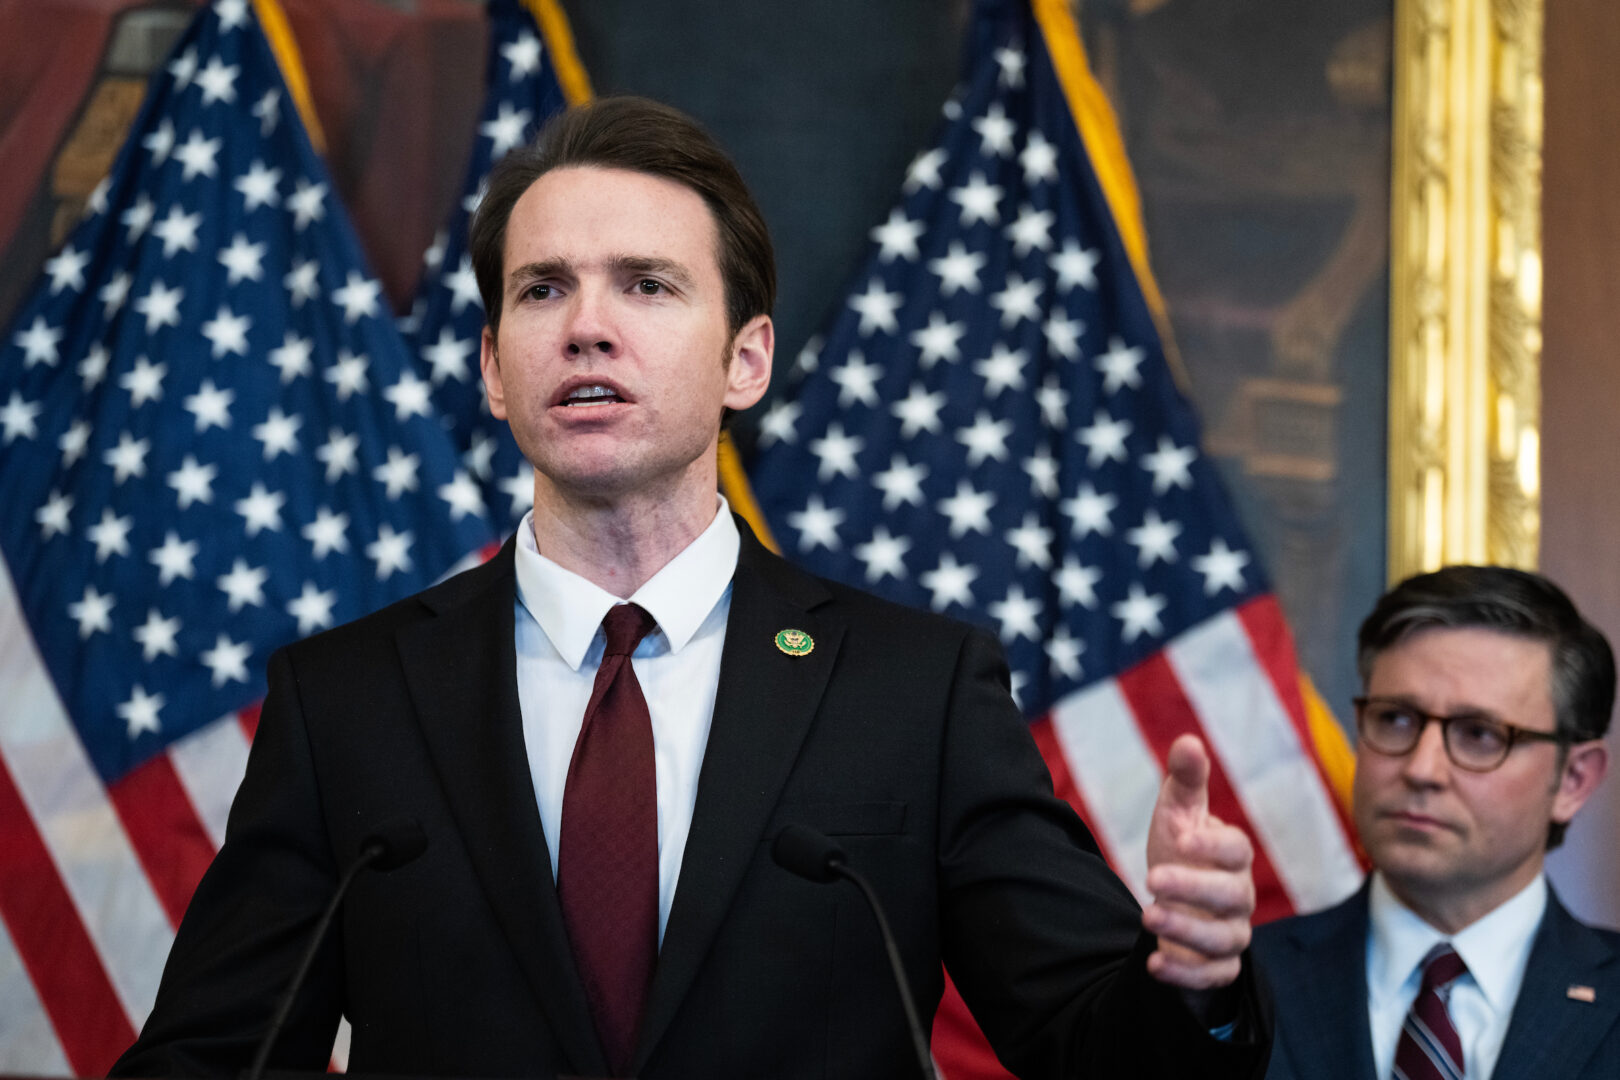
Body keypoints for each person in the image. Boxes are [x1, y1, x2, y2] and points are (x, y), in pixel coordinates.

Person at [114, 96, 1268, 1079]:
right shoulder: (349, 699)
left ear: (745, 361)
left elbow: (1092, 1045)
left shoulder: (914, 692)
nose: (588, 329)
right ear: (494, 371)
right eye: (542, 291)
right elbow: (214, 1053)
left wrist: (1195, 982)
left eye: (649, 287)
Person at [1253, 566, 1619, 1079]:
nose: (1421, 769)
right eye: (1395, 719)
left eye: (1479, 734)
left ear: (1574, 780)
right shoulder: (1240, 987)